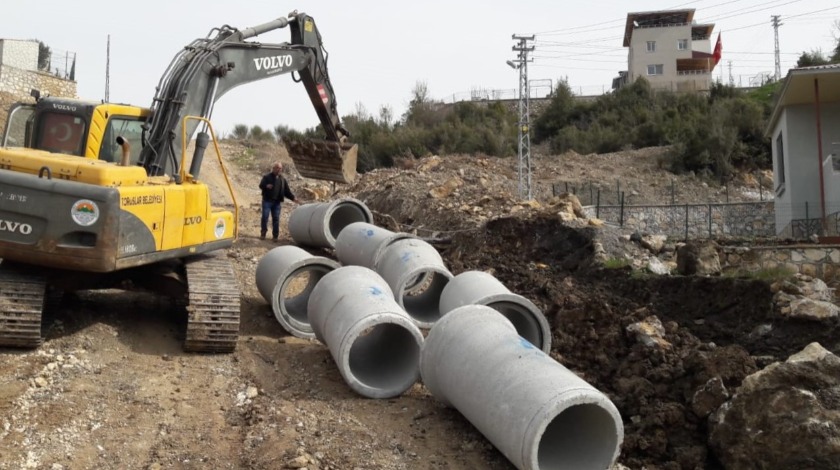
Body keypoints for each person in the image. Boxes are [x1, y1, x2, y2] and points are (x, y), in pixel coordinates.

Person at [258, 162, 296, 240]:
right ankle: (263, 233)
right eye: (278, 168)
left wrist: (293, 198)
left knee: (276, 219)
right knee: (265, 217)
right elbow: (261, 185)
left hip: (277, 203)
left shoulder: (282, 179)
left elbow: (287, 191)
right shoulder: (267, 177)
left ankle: (275, 236)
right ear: (274, 168)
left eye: (280, 168)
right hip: (267, 201)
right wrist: (266, 186)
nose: (279, 169)